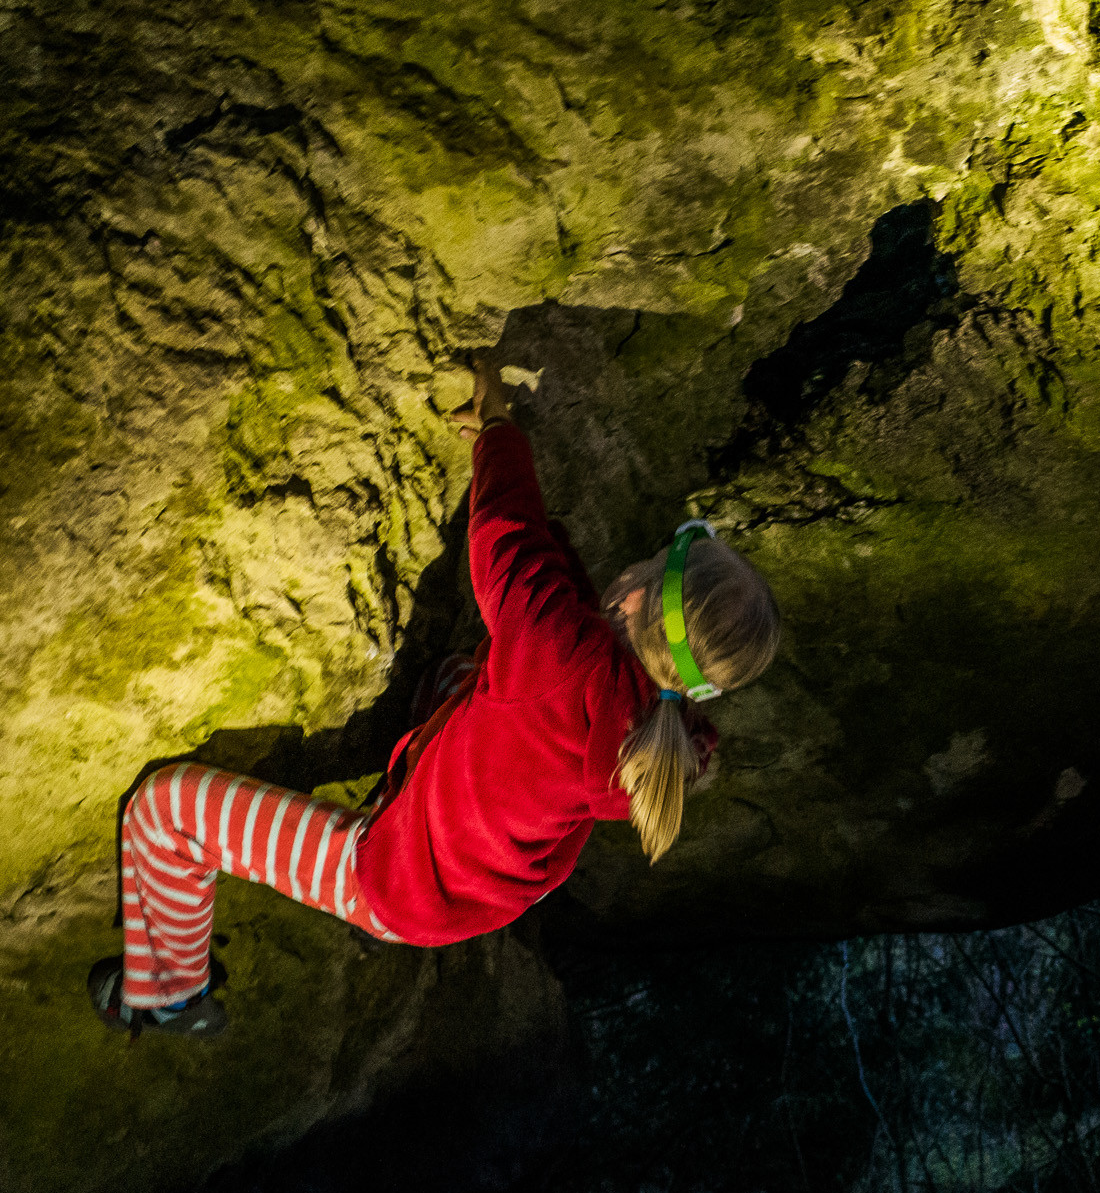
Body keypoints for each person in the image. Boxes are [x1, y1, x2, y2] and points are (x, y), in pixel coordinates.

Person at [87, 355, 781, 1036]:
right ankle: (407, 783)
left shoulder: (558, 653)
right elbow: (559, 603)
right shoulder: (667, 727)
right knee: (461, 677)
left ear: (633, 593)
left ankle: (172, 995)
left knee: (163, 811)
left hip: (391, 880)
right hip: (484, 880)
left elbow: (507, 539)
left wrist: (499, 432)